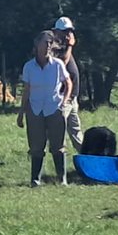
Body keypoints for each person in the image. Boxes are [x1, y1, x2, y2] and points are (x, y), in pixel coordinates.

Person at [17, 30, 72, 186]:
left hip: (54, 107)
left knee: (58, 145)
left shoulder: (58, 65)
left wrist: (64, 101)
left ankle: (61, 178)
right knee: (36, 146)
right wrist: (21, 112)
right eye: (45, 42)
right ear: (37, 44)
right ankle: (35, 179)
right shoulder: (29, 67)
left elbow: (68, 83)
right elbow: (27, 90)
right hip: (35, 109)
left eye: (50, 43)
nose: (48, 46)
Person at [53, 16, 83, 152]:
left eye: (69, 31)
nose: (67, 35)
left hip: (72, 96)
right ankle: (59, 154)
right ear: (56, 32)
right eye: (64, 31)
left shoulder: (64, 46)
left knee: (76, 130)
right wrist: (70, 45)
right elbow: (62, 64)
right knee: (60, 130)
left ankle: (85, 155)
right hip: (62, 97)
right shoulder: (54, 47)